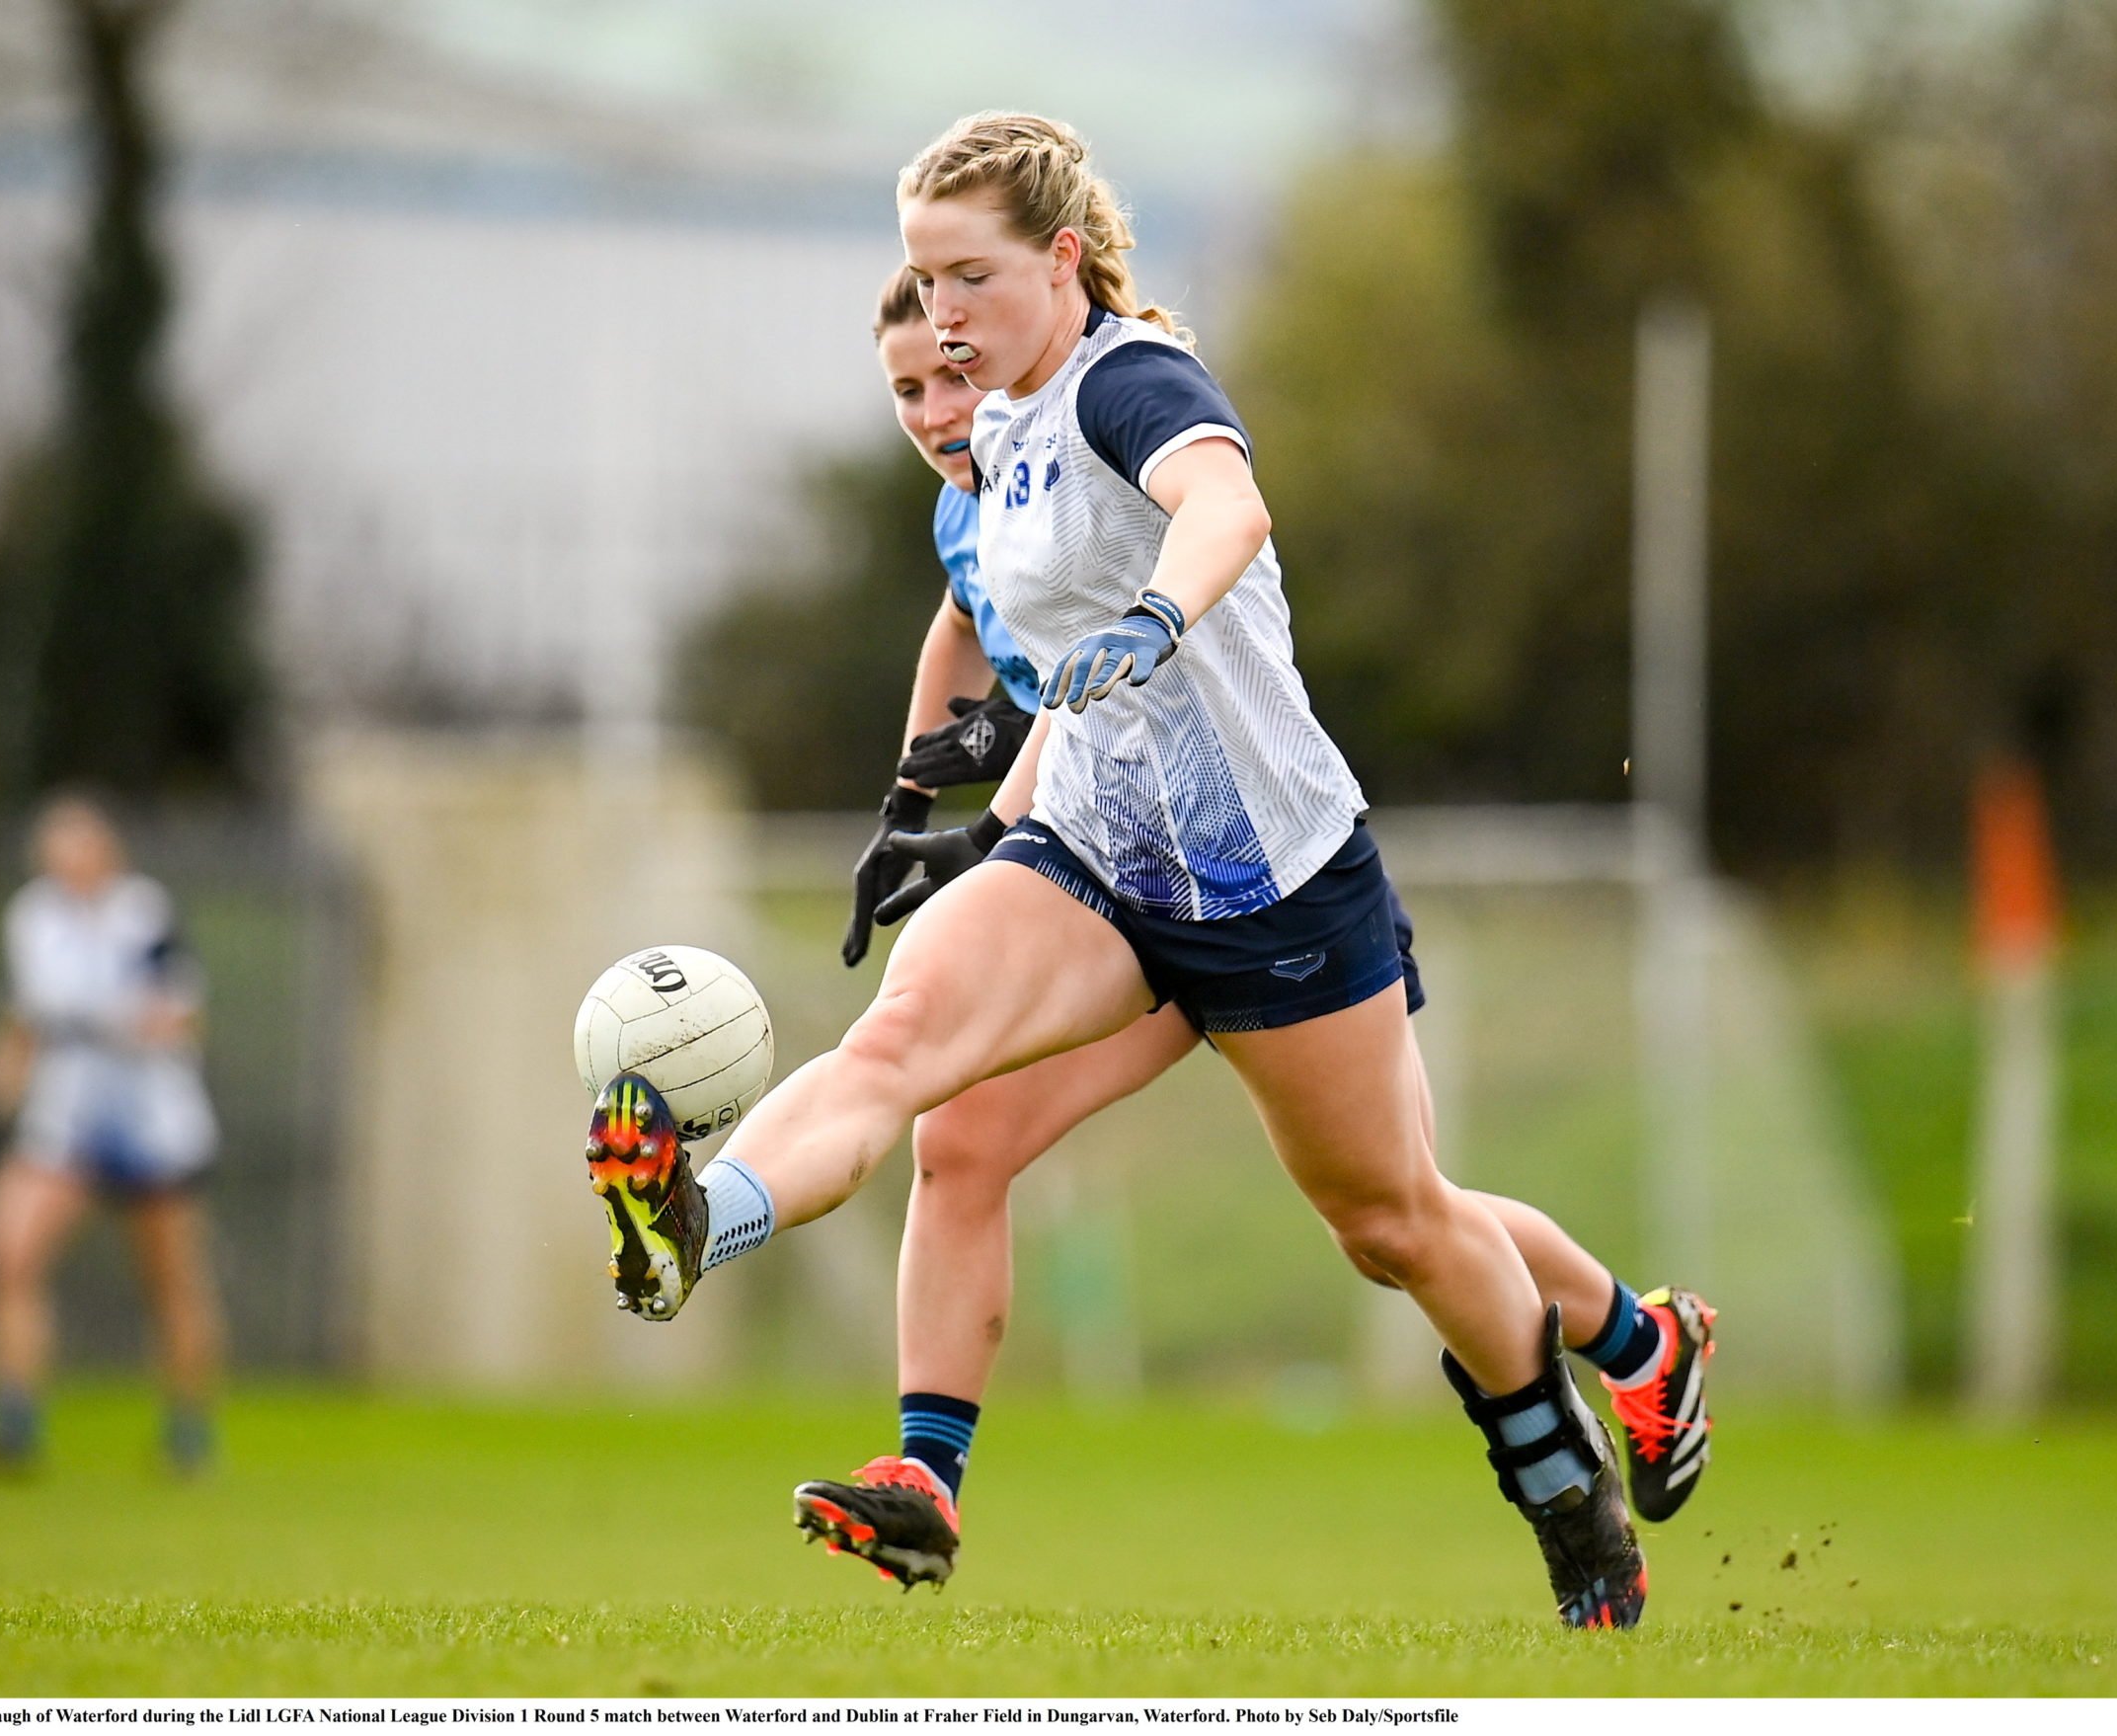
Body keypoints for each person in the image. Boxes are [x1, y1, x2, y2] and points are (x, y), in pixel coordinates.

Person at [588, 114, 1700, 1627]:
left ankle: (1570, 1442)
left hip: (1270, 883)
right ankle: (704, 1240)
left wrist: (1161, 618)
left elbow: (1226, 506)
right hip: (1099, 859)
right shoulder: (985, 432)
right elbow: (980, 615)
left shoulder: (1132, 381)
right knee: (925, 1076)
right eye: (922, 282)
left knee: (1388, 1222)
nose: (944, 317)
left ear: (1061, 262)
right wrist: (942, 799)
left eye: (969, 278)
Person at [0, 792, 223, 1476]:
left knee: (171, 1281)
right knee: (9, 1252)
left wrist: (125, 1024)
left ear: (108, 853)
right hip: (66, 1122)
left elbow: (183, 1016)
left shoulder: (146, 915)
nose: (64, 865)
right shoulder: (34, 919)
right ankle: (14, 1423)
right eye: (52, 853)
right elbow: (26, 1013)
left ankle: (188, 1431)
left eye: (78, 849)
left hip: (152, 1125)